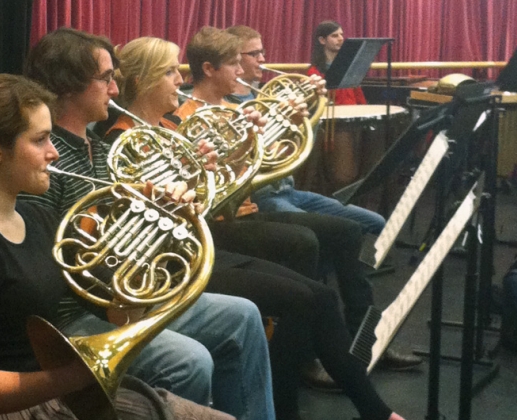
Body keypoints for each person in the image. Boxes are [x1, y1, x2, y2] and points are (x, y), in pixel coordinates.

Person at [106, 34, 431, 420]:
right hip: (177, 260)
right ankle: (303, 414)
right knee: (305, 293)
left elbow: (216, 194)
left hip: (199, 244)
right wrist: (197, 180)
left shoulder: (167, 128)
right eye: (170, 72)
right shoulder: (124, 139)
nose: (178, 80)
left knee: (317, 292)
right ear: (147, 80)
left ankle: (366, 406)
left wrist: (231, 157)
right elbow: (161, 219)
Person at [0, 72, 250, 420]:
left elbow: (119, 314)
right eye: (39, 140)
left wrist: (160, 228)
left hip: (56, 396)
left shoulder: (36, 220)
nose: (53, 151)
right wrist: (73, 378)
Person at [22, 28, 278, 420]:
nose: (116, 88)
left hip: (118, 298)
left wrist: (168, 206)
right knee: (189, 360)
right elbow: (47, 264)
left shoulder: (98, 152)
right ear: (69, 85)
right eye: (106, 78)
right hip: (75, 315)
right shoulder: (49, 163)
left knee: (244, 316)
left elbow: (121, 227)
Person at [177, 26, 422, 376]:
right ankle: (313, 348)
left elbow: (282, 154)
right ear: (211, 68)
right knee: (312, 244)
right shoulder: (199, 113)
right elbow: (240, 175)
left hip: (272, 195)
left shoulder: (241, 101)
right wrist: (253, 141)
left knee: (353, 230)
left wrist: (301, 118)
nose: (259, 62)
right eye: (243, 58)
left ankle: (365, 338)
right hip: (248, 206)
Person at [228, 24, 386, 236]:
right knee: (328, 233)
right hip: (261, 196)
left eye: (262, 52)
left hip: (289, 190)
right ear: (234, 59)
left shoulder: (264, 98)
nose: (263, 59)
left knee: (375, 222)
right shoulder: (227, 106)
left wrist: (312, 107)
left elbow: (302, 145)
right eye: (254, 54)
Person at [309, 20, 367, 105]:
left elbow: (359, 98)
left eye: (341, 34)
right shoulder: (314, 72)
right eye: (334, 36)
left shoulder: (349, 67)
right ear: (322, 40)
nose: (341, 38)